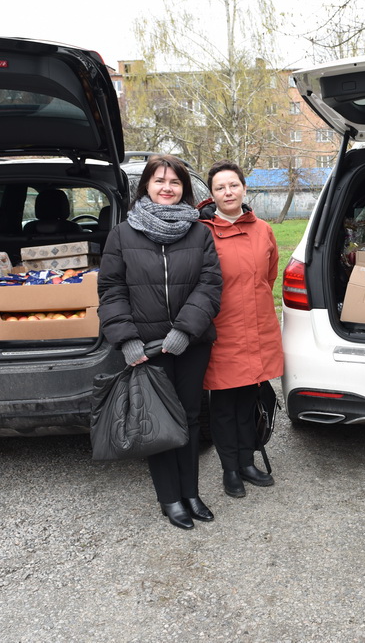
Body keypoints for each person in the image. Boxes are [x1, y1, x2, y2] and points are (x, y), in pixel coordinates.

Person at [97, 154, 222, 530]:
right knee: (156, 420)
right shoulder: (123, 234)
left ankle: (191, 493)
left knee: (189, 418)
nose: (167, 188)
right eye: (159, 181)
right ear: (146, 186)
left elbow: (210, 285)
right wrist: (126, 340)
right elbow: (111, 290)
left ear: (184, 188)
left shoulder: (199, 233)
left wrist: (185, 330)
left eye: (175, 182)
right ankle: (170, 498)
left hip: (190, 343)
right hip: (146, 347)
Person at [197, 160, 283, 499]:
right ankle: (230, 469)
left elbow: (269, 276)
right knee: (223, 406)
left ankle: (247, 462)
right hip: (222, 332)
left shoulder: (263, 230)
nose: (228, 192)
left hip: (257, 329)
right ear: (212, 194)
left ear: (244, 188)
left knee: (248, 401)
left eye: (233, 185)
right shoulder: (201, 232)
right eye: (220, 187)